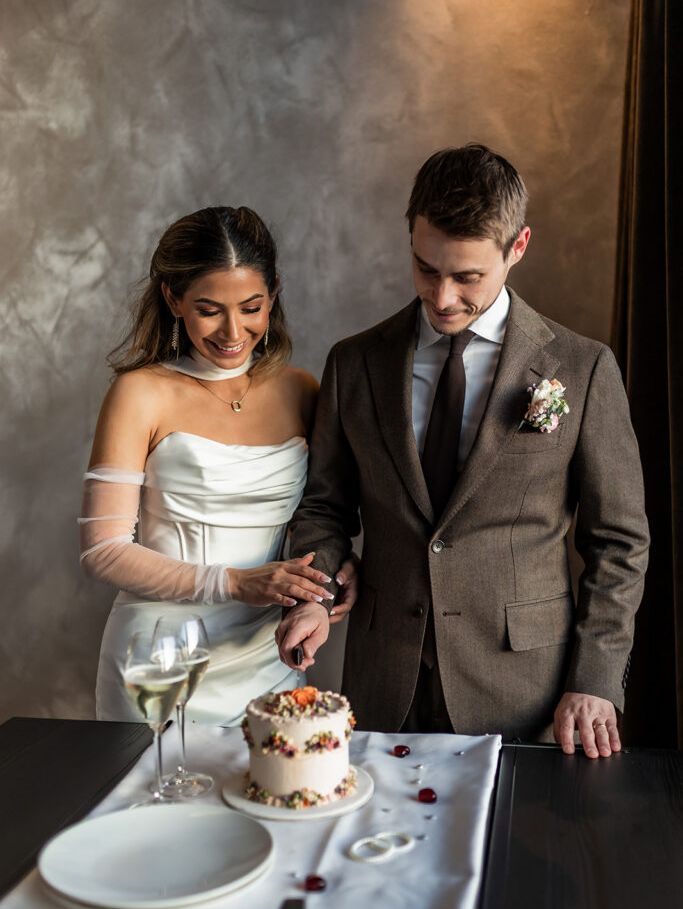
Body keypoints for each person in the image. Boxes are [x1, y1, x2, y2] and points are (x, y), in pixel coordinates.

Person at [276, 144, 649, 758]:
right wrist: (315, 595)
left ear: (517, 248)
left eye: (467, 276)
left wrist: (595, 679)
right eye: (426, 268)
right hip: (382, 685)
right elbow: (324, 509)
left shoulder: (583, 369)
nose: (442, 296)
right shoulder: (356, 362)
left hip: (524, 689)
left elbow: (619, 542)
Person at [79, 205, 355, 724]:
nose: (233, 330)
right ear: (172, 298)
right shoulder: (139, 393)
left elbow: (322, 517)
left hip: (268, 661)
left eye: (251, 306)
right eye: (209, 309)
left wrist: (334, 577)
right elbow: (103, 551)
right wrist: (234, 583)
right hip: (158, 664)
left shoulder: (302, 390)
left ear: (274, 291)